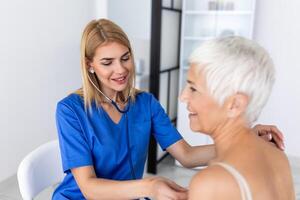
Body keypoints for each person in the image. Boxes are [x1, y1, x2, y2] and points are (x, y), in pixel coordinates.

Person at [52, 19, 284, 200]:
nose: (120, 69)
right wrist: (150, 186)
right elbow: (89, 188)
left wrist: (244, 139)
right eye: (107, 62)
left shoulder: (145, 103)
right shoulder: (70, 110)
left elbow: (187, 155)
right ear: (89, 65)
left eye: (125, 58)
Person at [180, 36, 295, 200]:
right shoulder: (279, 158)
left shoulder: (212, 182)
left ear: (235, 104)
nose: (183, 96)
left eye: (193, 88)